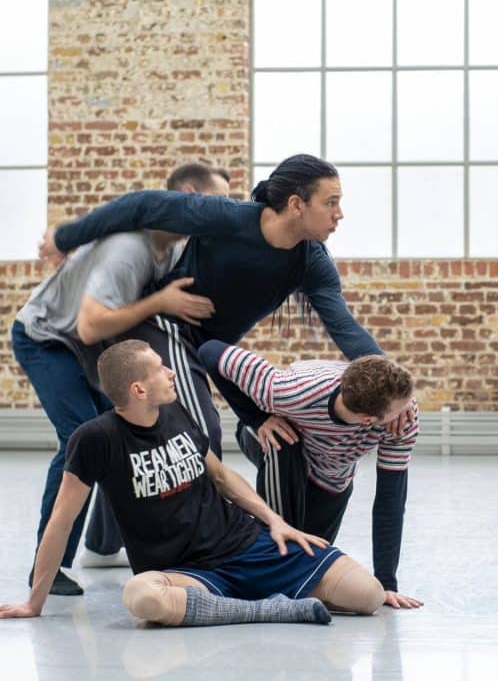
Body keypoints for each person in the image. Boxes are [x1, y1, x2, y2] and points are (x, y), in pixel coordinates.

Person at [38, 154, 414, 465]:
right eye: (331, 202)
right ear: (296, 205)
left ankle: (117, 535)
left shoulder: (312, 263)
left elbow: (346, 329)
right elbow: (142, 206)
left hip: (204, 347)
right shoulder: (228, 217)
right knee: (200, 432)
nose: (339, 214)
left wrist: (396, 392)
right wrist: (65, 237)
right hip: (164, 326)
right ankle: (204, 534)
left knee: (174, 434)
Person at [0, 340, 385, 626]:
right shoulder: (95, 439)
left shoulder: (175, 411)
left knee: (368, 595)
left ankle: (242, 602)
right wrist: (34, 602)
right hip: (185, 572)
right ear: (139, 389)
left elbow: (221, 476)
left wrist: (275, 521)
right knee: (141, 597)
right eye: (160, 368)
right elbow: (61, 520)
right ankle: (270, 609)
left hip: (245, 544)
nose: (171, 372)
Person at [12, 164, 230, 594]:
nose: (223, 214)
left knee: (124, 430)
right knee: (79, 437)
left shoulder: (171, 248)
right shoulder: (130, 250)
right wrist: (159, 302)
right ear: (189, 195)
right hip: (47, 339)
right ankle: (47, 570)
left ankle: (102, 543)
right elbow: (90, 325)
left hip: (82, 345)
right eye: (218, 202)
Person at [197, 339, 423, 609]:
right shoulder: (289, 390)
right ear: (367, 419)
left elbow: (390, 498)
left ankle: (273, 567)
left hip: (331, 476)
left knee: (308, 559)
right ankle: (261, 566)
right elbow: (210, 351)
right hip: (275, 440)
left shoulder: (402, 421)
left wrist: (386, 583)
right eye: (402, 407)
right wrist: (256, 418)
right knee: (283, 448)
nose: (409, 409)